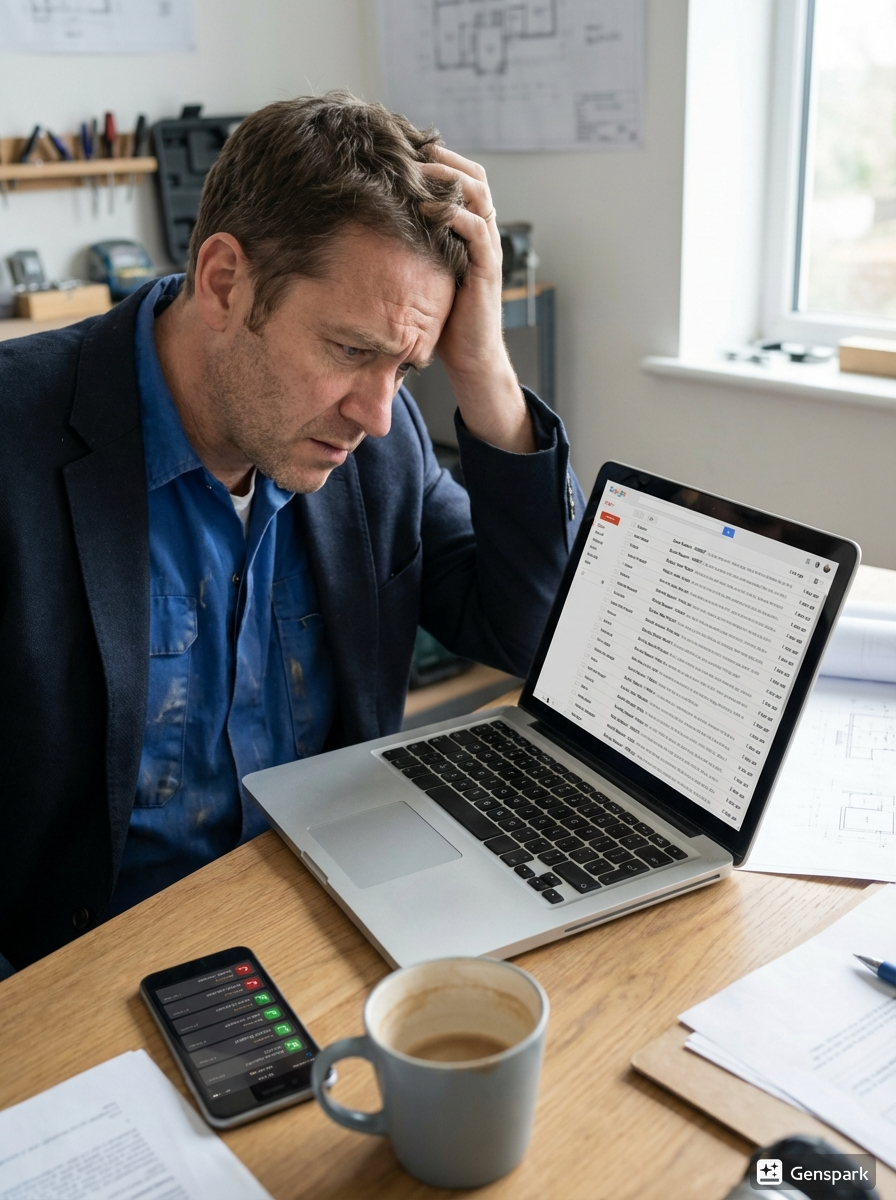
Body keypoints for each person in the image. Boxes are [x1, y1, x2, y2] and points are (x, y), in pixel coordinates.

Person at [0, 92, 583, 977]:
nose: (379, 415)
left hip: (334, 927)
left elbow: (532, 628)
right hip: (91, 969)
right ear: (225, 281)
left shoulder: (379, 444)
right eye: (350, 350)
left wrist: (482, 367)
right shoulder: (16, 445)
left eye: (406, 367)